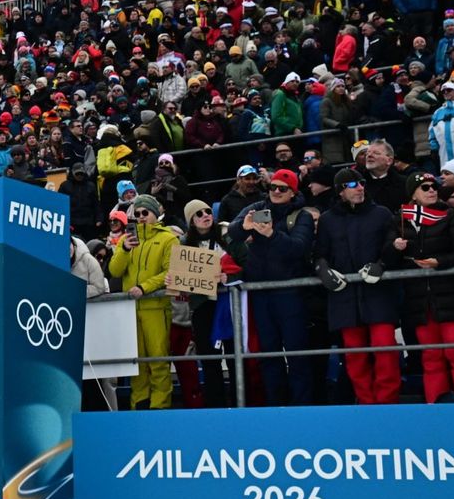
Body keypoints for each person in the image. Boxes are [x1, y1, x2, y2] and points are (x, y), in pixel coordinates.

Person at [224, 169, 315, 405]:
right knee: (268, 354)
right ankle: (276, 406)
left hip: (290, 292)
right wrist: (244, 227)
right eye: (272, 187)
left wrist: (272, 234)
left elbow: (299, 248)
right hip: (260, 292)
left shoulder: (301, 215)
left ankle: (302, 407)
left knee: (297, 353)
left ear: (293, 192)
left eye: (282, 188)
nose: (275, 191)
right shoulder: (256, 207)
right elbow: (230, 233)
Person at [315, 169, 402, 405]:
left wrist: (382, 264)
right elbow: (319, 253)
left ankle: (387, 405)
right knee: (355, 356)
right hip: (345, 297)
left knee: (385, 350)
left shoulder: (381, 214)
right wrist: (323, 270)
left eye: (362, 183)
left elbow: (393, 246)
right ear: (340, 191)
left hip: (377, 294)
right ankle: (366, 405)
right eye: (353, 184)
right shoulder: (327, 219)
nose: (360, 187)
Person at [395, 171, 454, 402]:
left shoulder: (450, 215)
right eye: (425, 187)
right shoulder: (401, 221)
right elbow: (390, 257)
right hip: (420, 302)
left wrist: (440, 262)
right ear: (413, 194)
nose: (432, 190)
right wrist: (395, 248)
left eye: (434, 186)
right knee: (431, 358)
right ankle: (437, 412)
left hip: (451, 297)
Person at [107, 194, 177, 410]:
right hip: (131, 309)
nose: (140, 217)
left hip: (156, 307)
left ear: (155, 213)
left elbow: (170, 271)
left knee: (158, 362)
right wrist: (125, 249)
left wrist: (145, 287)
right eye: (136, 214)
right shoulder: (128, 239)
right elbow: (114, 270)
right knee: (136, 363)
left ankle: (160, 408)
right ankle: (139, 406)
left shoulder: (168, 238)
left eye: (144, 213)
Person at [172, 200, 227, 408]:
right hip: (202, 306)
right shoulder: (185, 243)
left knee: (233, 354)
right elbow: (181, 279)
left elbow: (243, 260)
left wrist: (228, 275)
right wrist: (174, 279)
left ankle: (242, 405)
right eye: (199, 214)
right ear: (191, 222)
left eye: (207, 211)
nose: (206, 215)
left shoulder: (226, 234)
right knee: (209, 359)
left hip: (228, 303)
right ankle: (216, 406)